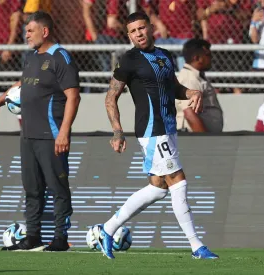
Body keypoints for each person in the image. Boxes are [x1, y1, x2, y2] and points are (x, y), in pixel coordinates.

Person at [96, 12, 218, 260]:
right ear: (128, 35)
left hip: (168, 126)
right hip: (152, 129)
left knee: (159, 187)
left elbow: (174, 88)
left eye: (142, 28)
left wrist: (192, 91)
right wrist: (117, 130)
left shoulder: (164, 55)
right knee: (178, 180)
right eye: (133, 31)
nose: (139, 33)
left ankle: (107, 230)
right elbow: (111, 97)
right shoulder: (129, 60)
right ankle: (197, 246)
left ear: (151, 28)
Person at [0, 11, 81, 251]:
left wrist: (64, 132)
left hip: (51, 135)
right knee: (32, 188)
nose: (26, 34)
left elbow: (73, 97)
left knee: (57, 188)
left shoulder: (61, 57)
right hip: (28, 134)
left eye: (30, 31)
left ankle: (60, 238)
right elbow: (23, 83)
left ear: (45, 31)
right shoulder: (31, 57)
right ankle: (33, 236)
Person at [176, 38, 223, 133]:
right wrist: (204, 142)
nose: (211, 58)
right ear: (197, 58)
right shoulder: (189, 79)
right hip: (194, 141)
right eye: (208, 55)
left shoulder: (196, 76)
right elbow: (189, 113)